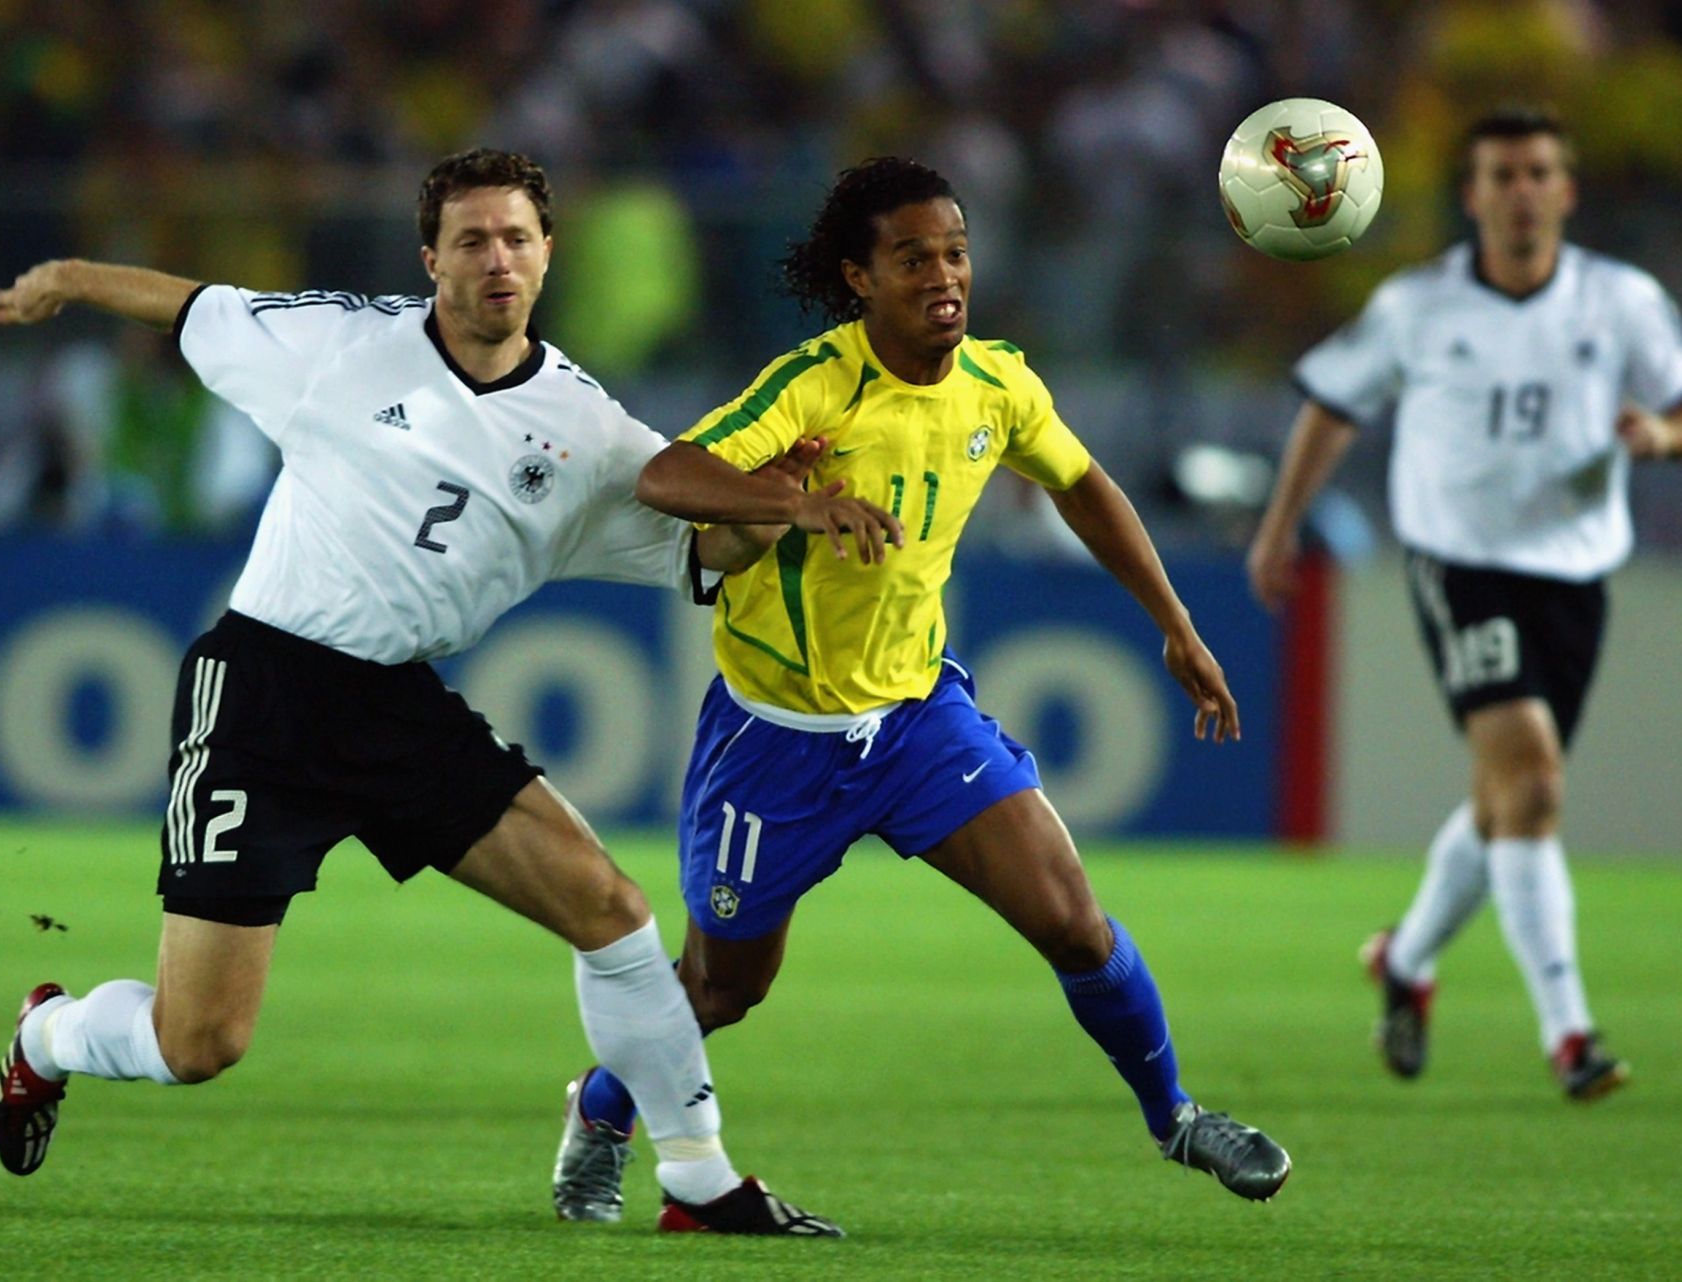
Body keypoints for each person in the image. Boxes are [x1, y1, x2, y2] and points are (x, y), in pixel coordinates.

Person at [0, 147, 862, 1236]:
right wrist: (69, 274)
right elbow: (196, 306)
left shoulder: (589, 430)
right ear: (430, 260)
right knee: (196, 1044)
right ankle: (47, 1038)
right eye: (473, 240)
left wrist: (778, 502)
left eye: (518, 238)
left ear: (548, 255)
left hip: (398, 709)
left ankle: (699, 1180)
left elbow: (707, 552)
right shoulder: (340, 343)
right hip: (265, 691)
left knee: (613, 911)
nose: (498, 259)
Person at [550, 157, 1291, 1225]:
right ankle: (604, 1108)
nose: (944, 275)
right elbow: (667, 476)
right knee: (723, 990)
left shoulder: (999, 383)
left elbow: (1083, 485)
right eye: (912, 258)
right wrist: (797, 506)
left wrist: (1174, 623)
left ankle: (1175, 1114)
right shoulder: (815, 384)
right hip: (775, 739)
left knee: (1076, 922)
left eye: (955, 251)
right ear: (859, 277)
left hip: (915, 723)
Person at [1246, 107, 1682, 1099]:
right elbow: (1333, 404)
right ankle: (1571, 1035)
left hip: (1578, 572)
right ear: (1472, 196)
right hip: (1460, 564)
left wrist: (1660, 438)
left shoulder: (1621, 299)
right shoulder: (1420, 305)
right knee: (1535, 781)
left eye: (1538, 172)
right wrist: (1280, 524)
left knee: (1507, 799)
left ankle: (1407, 959)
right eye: (1500, 175)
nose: (1520, 191)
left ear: (1566, 190)